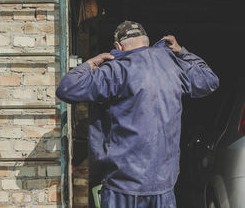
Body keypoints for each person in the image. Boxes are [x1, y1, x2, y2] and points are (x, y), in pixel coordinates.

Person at [56, 21, 219, 208]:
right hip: (163, 187)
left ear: (118, 46)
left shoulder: (115, 70)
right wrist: (181, 51)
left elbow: (66, 88)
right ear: (147, 41)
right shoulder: (174, 65)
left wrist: (90, 63)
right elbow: (209, 79)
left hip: (122, 188)